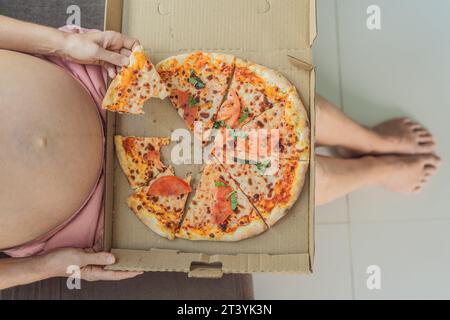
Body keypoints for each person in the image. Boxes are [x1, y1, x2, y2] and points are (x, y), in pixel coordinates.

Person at [0, 16, 441, 290]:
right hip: (83, 218)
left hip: (91, 82)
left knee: (294, 111)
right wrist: (49, 267)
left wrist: (59, 44)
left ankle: (369, 139)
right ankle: (375, 169)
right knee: (305, 184)